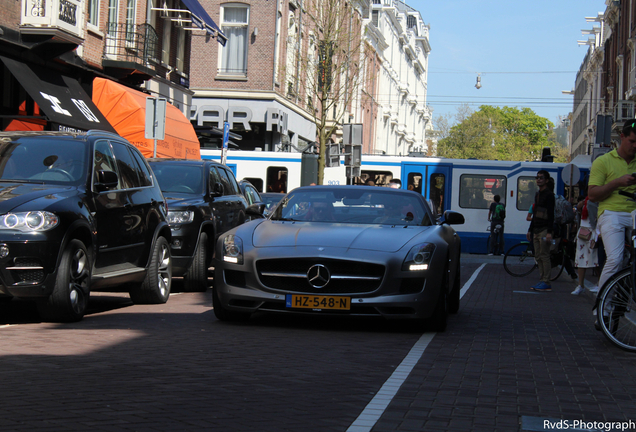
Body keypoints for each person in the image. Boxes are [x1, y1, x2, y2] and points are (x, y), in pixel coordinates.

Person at [588, 120, 636, 294]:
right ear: (622, 137)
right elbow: (592, 195)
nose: (635, 146)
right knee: (615, 259)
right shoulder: (604, 162)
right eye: (632, 141)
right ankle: (604, 308)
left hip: (634, 212)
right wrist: (617, 182)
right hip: (611, 213)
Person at [527, 170, 555, 292]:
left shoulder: (549, 195)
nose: (538, 180)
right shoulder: (538, 194)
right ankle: (542, 279)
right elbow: (535, 213)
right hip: (537, 229)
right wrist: (530, 229)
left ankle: (546, 281)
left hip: (544, 229)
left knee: (544, 255)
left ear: (546, 180)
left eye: (541, 178)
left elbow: (551, 214)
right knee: (538, 256)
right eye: (537, 177)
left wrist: (549, 232)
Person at [572, 196, 598, 295]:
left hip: (593, 231)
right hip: (584, 230)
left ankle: (600, 282)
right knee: (581, 258)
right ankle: (580, 284)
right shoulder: (584, 202)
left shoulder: (595, 201)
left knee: (595, 258)